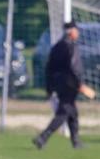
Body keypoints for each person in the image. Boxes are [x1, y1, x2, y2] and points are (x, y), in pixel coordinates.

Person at [33, 21, 94, 150]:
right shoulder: (70, 46)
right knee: (64, 112)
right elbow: (74, 68)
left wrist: (49, 88)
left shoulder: (56, 46)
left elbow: (49, 68)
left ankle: (75, 142)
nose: (78, 33)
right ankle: (43, 137)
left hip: (59, 84)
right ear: (72, 32)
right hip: (70, 84)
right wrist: (80, 85)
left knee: (72, 112)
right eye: (76, 30)